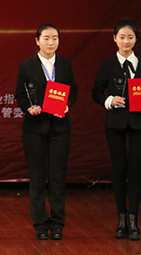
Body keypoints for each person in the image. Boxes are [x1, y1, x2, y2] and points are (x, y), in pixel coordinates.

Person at [14, 23, 78, 240]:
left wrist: (67, 105)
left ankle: (58, 224)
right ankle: (40, 224)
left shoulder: (65, 64)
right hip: (35, 128)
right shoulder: (27, 65)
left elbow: (73, 90)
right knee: (37, 177)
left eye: (55, 38)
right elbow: (19, 93)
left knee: (58, 177)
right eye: (46, 38)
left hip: (60, 128)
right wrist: (28, 108)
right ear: (37, 40)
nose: (51, 43)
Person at [92, 19, 141, 240]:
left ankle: (133, 219)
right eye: (122, 37)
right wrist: (109, 100)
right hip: (115, 122)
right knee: (119, 169)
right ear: (114, 39)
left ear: (136, 39)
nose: (126, 41)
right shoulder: (107, 64)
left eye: (130, 37)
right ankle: (121, 218)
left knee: (136, 170)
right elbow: (96, 92)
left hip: (139, 123)